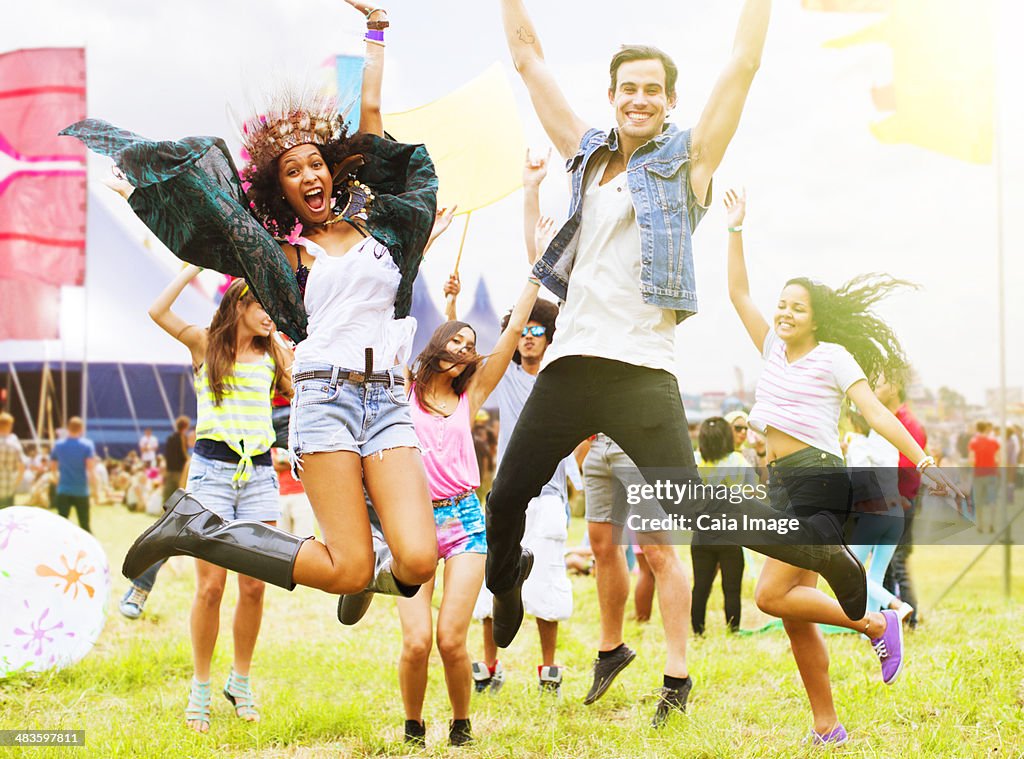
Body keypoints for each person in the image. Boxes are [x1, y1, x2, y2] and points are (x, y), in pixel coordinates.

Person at [487, 0, 871, 656]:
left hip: (641, 367)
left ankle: (827, 555)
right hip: (573, 362)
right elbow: (528, 60)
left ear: (669, 101)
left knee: (694, 507)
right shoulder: (585, 156)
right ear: (611, 96)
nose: (639, 99)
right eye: (628, 88)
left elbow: (744, 64)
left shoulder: (687, 162)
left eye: (653, 90)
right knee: (504, 496)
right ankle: (506, 581)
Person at [67, 1, 445, 629]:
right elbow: (217, 218)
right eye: (292, 171)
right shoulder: (284, 258)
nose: (309, 174)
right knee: (348, 569)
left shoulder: (383, 227)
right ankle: (196, 528)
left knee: (418, 561)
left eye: (316, 163)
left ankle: (359, 570)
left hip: (388, 402)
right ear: (284, 191)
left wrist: (376, 29)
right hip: (325, 402)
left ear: (334, 168)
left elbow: (373, 121)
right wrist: (142, 185)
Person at [723, 187, 961, 745]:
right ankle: (827, 727)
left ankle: (878, 621)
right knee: (796, 615)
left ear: (815, 318)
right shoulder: (771, 350)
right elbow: (738, 293)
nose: (783, 312)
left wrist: (923, 460)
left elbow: (875, 411)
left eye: (796, 307)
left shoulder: (833, 357)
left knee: (768, 596)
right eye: (782, 303)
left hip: (818, 480)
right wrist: (735, 230)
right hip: (779, 479)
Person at [384, 253, 540, 746]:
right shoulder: (402, 388)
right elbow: (391, 314)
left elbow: (513, 335)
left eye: (471, 344)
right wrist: (426, 253)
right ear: (438, 344)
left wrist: (534, 276)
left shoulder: (470, 395)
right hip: (411, 522)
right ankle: (412, 729)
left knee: (452, 638)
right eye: (456, 338)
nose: (465, 346)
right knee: (416, 641)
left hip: (465, 519)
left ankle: (460, 726)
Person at [146, 268, 291, 731]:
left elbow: (301, 391)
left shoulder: (274, 352)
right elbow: (157, 312)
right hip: (210, 473)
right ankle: (201, 688)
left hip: (260, 474)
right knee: (211, 587)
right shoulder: (206, 345)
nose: (271, 314)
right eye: (263, 305)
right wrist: (191, 267)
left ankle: (241, 681)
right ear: (240, 307)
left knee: (254, 585)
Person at [470, 150, 579, 700]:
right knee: (499, 578)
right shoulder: (508, 377)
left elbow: (554, 291)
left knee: (549, 581)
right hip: (510, 492)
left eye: (541, 330)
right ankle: (489, 665)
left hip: (552, 494)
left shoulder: (560, 372)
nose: (531, 334)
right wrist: (530, 191)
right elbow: (528, 293)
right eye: (527, 331)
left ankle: (548, 667)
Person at [582, 435, 693, 725]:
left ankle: (677, 677)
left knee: (657, 552)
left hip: (640, 443)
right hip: (597, 445)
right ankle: (611, 650)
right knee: (602, 546)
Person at [121, 415, 193, 620]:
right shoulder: (186, 450)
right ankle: (140, 588)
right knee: (169, 534)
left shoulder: (174, 441)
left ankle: (141, 588)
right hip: (189, 483)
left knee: (170, 530)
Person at [690, 417, 753, 636]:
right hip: (731, 535)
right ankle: (733, 630)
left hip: (701, 535)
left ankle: (698, 632)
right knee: (732, 588)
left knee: (700, 588)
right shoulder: (737, 461)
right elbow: (752, 494)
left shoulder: (694, 460)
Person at [874, 372, 926, 627]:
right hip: (887, 505)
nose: (875, 388)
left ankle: (910, 620)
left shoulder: (908, 424)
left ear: (894, 389)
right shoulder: (889, 420)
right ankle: (887, 619)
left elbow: (907, 467)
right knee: (884, 566)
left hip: (901, 504)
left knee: (897, 563)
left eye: (880, 384)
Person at [50, 417, 96, 533]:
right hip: (81, 489)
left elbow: (53, 467)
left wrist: (56, 481)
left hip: (64, 489)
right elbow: (91, 469)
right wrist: (95, 489)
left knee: (61, 524)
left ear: (68, 428)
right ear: (81, 429)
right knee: (84, 524)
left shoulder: (59, 445)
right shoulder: (87, 445)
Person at [969, 421, 1001, 533]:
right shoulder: (994, 442)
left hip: (978, 475)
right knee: (992, 500)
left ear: (977, 429)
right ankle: (991, 524)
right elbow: (998, 459)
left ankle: (980, 525)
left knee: (979, 501)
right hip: (992, 474)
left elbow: (971, 460)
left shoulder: (973, 442)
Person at [0, 412, 25, 508]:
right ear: (10, 426)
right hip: (8, 488)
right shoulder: (14, 444)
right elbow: (21, 467)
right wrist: (15, 483)